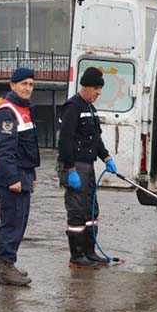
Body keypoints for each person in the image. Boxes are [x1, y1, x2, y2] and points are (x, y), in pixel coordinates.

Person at [57, 67, 118, 268]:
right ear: (86, 86)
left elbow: (96, 138)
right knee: (77, 210)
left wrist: (106, 157)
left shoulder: (90, 108)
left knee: (91, 210)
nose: (99, 93)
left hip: (88, 165)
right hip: (75, 166)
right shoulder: (72, 107)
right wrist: (70, 169)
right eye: (97, 89)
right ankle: (77, 256)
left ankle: (90, 252)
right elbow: (65, 141)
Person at [0, 67, 40, 286]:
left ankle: (3, 265)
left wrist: (32, 174)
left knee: (18, 222)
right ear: (12, 85)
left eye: (31, 84)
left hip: (23, 174)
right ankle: (6, 266)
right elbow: (5, 150)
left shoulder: (22, 109)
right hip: (13, 177)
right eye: (24, 84)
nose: (28, 88)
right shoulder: (7, 111)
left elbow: (26, 147)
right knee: (12, 223)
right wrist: (13, 179)